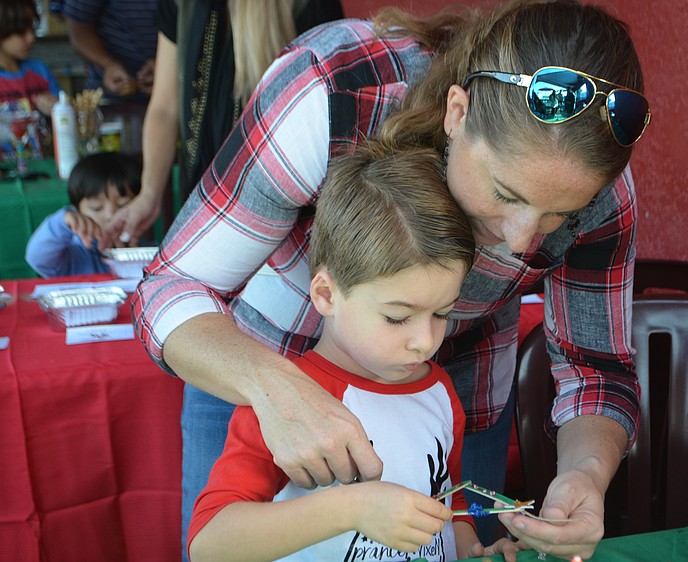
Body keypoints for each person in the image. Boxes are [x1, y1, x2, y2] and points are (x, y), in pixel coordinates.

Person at [132, 0, 651, 557]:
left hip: (449, 391)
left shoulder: (600, 197)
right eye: (505, 194)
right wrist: (271, 387)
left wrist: (587, 474)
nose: (523, 239)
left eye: (558, 215)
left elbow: (595, 370)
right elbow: (171, 288)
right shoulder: (333, 92)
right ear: (457, 112)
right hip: (254, 364)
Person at [188, 139, 519, 562]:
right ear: (326, 294)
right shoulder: (288, 401)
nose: (425, 340)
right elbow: (209, 543)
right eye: (398, 317)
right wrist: (350, 508)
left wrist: (473, 548)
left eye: (442, 313)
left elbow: (447, 503)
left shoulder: (439, 391)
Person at [101, 0, 344, 247]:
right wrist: (148, 195)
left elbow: (323, 114)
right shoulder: (182, 5)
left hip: (280, 204)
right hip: (201, 195)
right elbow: (165, 107)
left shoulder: (308, 6)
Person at [25, 152, 142, 278]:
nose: (110, 215)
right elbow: (36, 257)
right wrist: (64, 222)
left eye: (122, 205)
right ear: (77, 211)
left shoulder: (150, 253)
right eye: (96, 208)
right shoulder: (72, 257)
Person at [63, 0, 158, 99]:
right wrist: (108, 64)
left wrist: (166, 67)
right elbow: (78, 31)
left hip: (170, 92)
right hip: (110, 95)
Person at [0, 0, 60, 115]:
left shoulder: (40, 70)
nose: (31, 38)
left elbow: (67, 113)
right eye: (21, 31)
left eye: (32, 28)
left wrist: (58, 109)